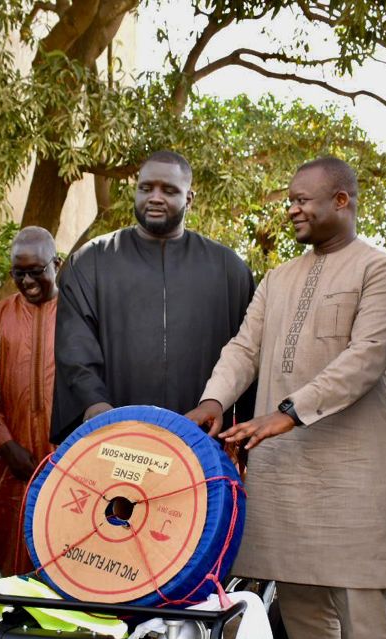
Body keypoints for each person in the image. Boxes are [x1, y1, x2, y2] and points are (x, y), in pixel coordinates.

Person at [187, 156, 386, 639]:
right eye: (290, 200)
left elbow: (365, 360)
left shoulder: (381, 271)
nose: (292, 209)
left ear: (342, 200)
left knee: (362, 611)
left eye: (304, 200)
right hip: (281, 462)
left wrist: (286, 413)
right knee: (305, 604)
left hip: (352, 465)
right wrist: (212, 401)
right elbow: (245, 349)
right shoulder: (279, 278)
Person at [52, 150, 254, 442]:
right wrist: (94, 404)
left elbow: (247, 352)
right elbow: (74, 346)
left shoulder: (228, 269)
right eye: (146, 188)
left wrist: (238, 433)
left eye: (169, 190)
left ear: (189, 198)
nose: (155, 197)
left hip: (200, 441)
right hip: (112, 436)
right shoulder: (91, 262)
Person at [0, 226, 59, 575]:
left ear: (56, 264)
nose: (27, 281)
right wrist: (5, 443)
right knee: (8, 560)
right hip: (10, 464)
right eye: (19, 272)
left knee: (63, 549)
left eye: (36, 271)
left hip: (66, 459)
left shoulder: (79, 315)